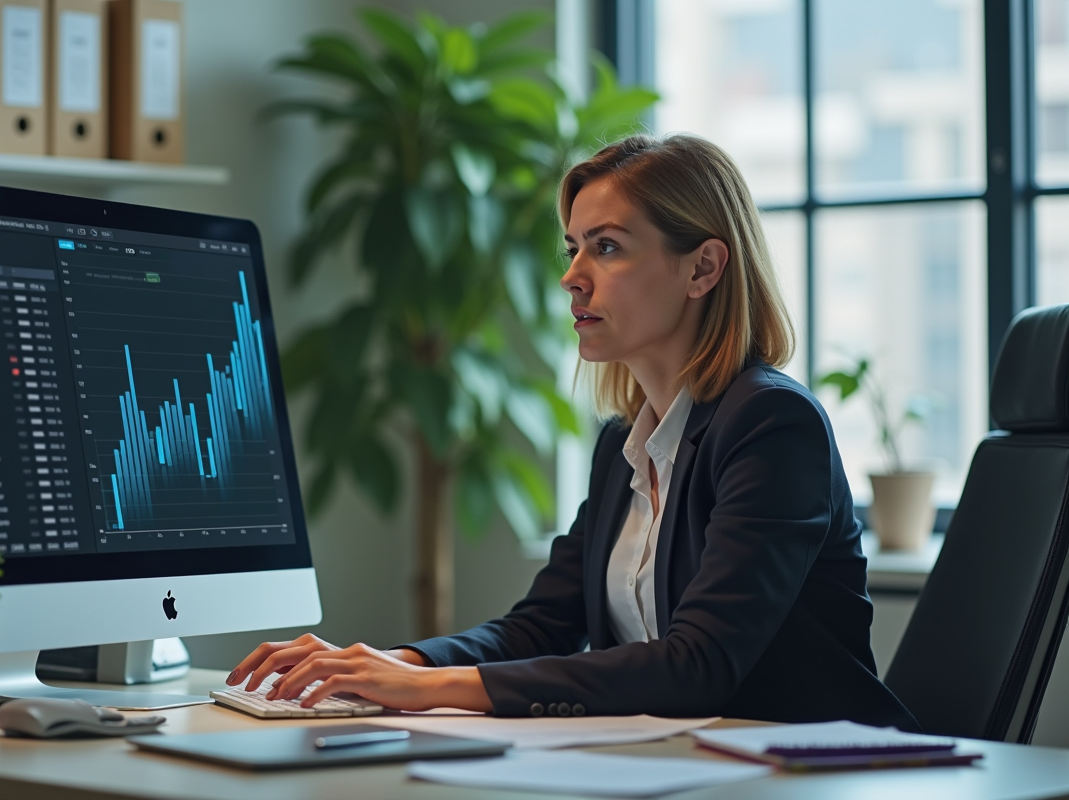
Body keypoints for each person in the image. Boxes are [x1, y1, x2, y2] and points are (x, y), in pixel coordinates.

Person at [225, 134, 919, 730]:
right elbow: (539, 627)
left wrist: (427, 691)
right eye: (573, 248)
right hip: (680, 768)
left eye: (607, 248)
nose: (571, 278)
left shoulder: (771, 425)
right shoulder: (623, 449)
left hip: (817, 776)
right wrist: (392, 663)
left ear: (703, 268)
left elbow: (698, 665)